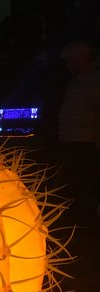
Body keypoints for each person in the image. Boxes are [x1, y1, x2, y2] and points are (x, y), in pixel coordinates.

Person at [58, 40, 100, 224]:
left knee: (87, 180)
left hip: (86, 141)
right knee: (75, 179)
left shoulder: (94, 82)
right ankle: (78, 216)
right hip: (71, 139)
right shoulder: (74, 83)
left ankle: (88, 218)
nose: (69, 66)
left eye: (71, 61)